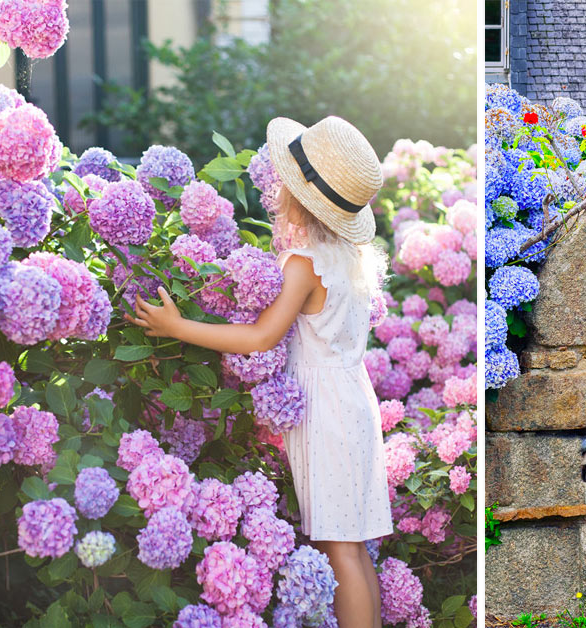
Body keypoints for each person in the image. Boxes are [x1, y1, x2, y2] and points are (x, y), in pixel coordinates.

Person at [128, 115, 393, 628]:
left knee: (338, 550)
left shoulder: (305, 261)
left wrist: (178, 326)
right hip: (353, 399)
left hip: (327, 414)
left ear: (299, 197)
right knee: (353, 548)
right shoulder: (348, 255)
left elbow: (261, 337)